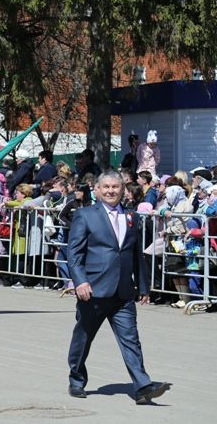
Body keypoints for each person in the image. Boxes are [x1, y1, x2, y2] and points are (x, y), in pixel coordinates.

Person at [66, 171, 171, 404]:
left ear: (123, 189)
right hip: (93, 291)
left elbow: (135, 255)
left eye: (115, 187)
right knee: (83, 337)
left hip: (123, 293)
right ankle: (76, 378)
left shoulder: (131, 217)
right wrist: (80, 281)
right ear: (98, 189)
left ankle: (143, 386)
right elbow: (74, 254)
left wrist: (143, 286)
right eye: (106, 187)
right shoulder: (85, 215)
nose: (111, 191)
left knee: (131, 340)